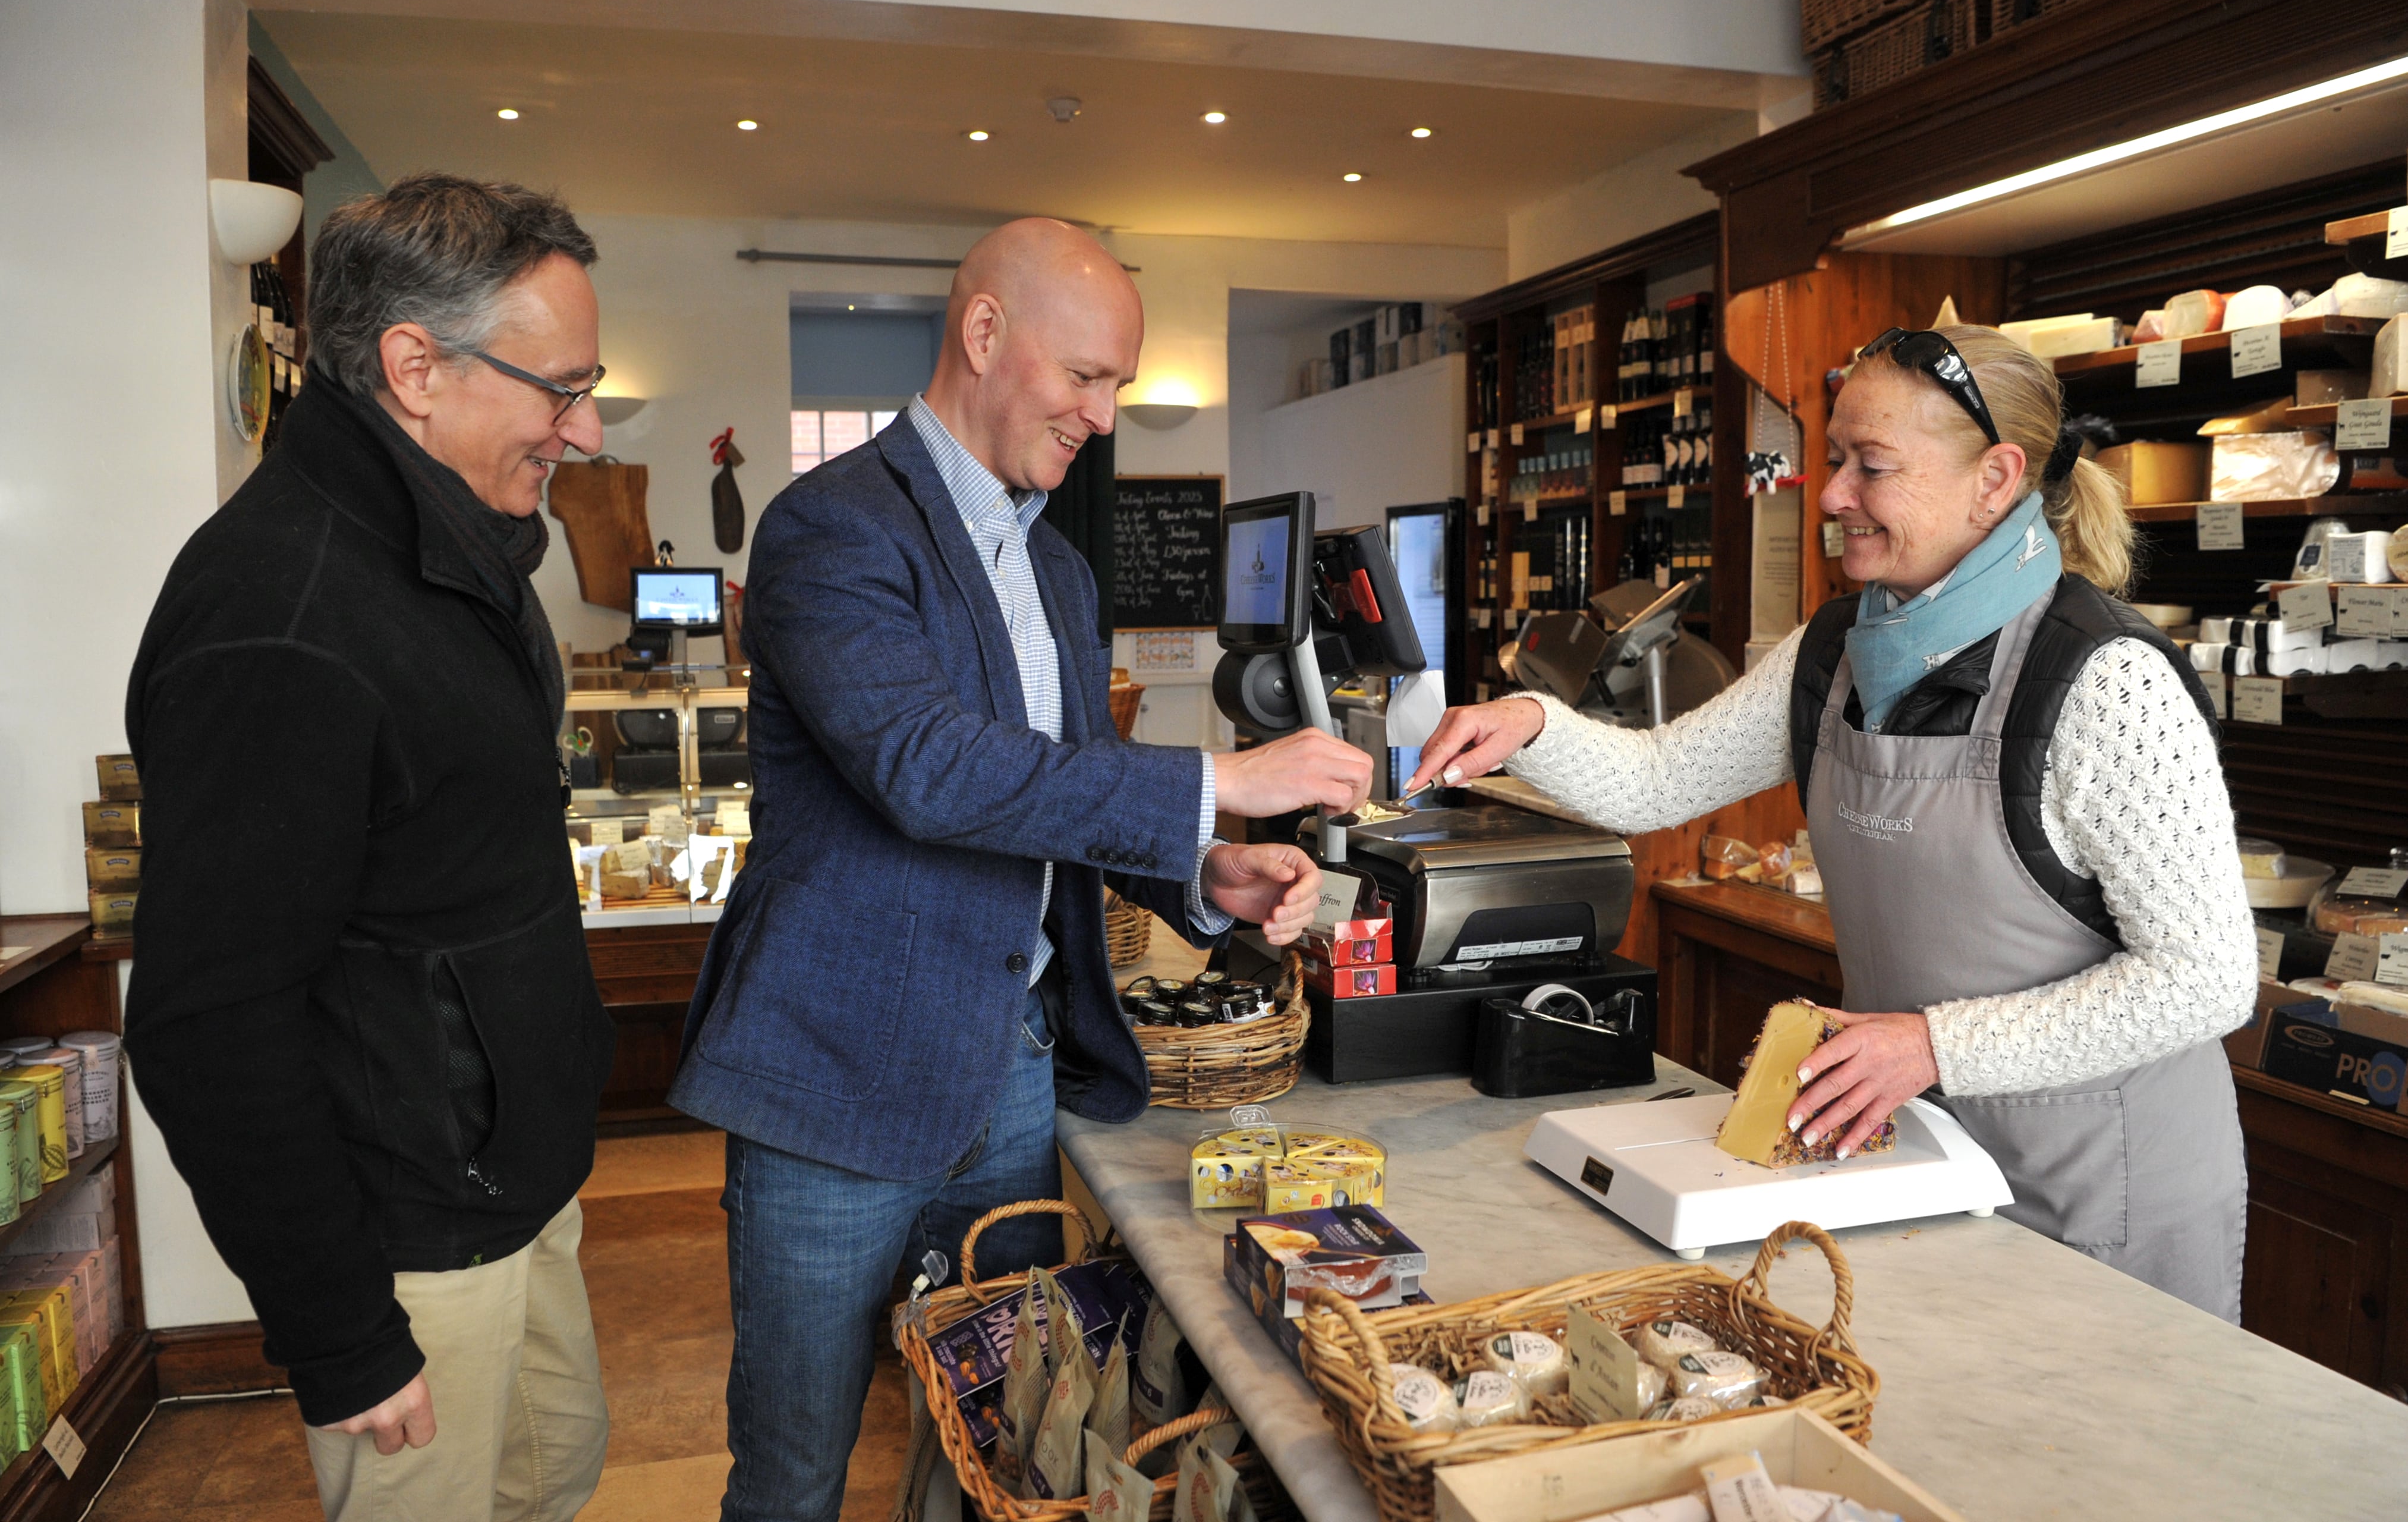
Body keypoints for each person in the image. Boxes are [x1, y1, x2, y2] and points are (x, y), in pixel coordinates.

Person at [668, 217, 1373, 1520]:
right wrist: (1224, 774)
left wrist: (1202, 874)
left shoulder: (1053, 563)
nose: (1105, 417)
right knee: (792, 1469)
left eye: (1116, 384)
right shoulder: (830, 525)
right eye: (1087, 378)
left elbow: (1063, 787)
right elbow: (930, 770)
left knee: (1016, 1441)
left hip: (1014, 1074)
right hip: (836, 1085)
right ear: (985, 333)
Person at [1414, 323, 2253, 1319]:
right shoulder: (1838, 651)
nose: (1834, 494)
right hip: (1914, 1162)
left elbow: (2207, 977)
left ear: (1997, 477)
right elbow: (1658, 777)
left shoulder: (2107, 681)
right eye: (1835, 460)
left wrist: (1937, 1045)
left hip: (2102, 1194)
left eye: (1873, 466)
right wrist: (1531, 722)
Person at [124, 174, 618, 1520]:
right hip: (409, 1237)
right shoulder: (281, 615)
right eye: (558, 388)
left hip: (512, 1187)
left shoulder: (456, 548)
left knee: (555, 1473)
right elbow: (206, 1022)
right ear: (414, 366)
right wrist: (340, 1329)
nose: (579, 429)